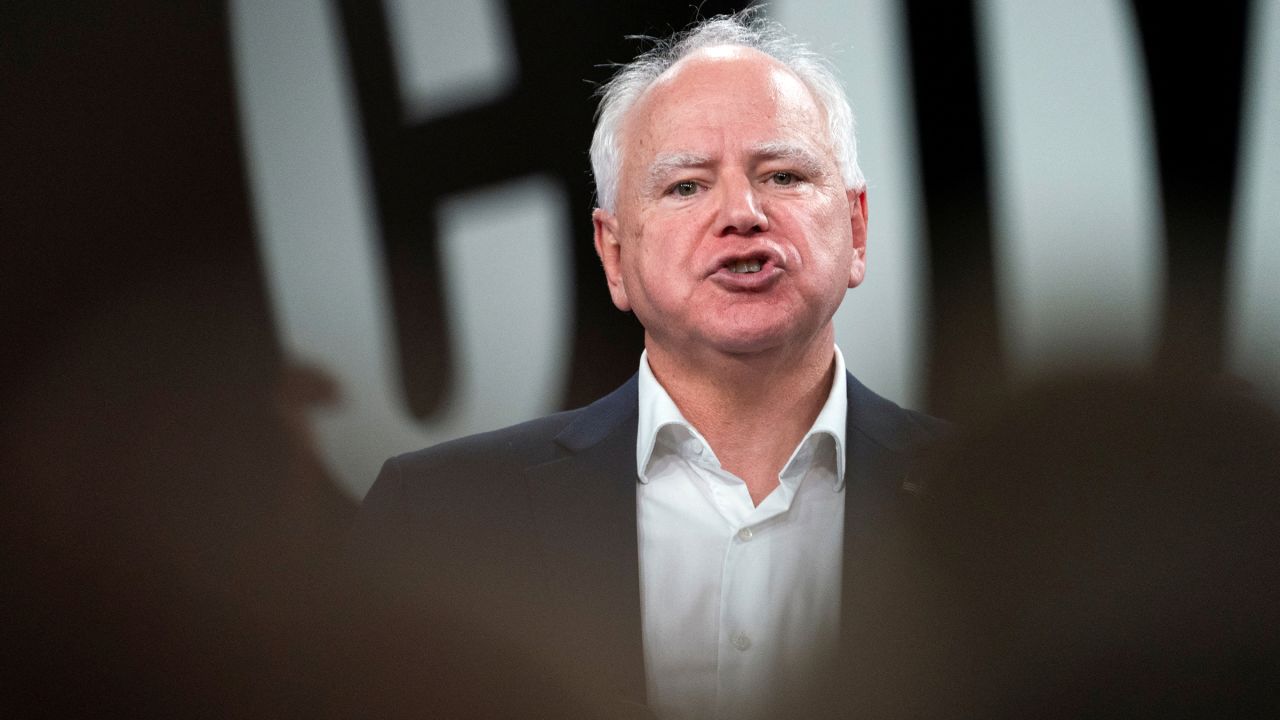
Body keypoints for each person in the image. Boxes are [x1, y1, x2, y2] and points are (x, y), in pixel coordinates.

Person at [350, 11, 947, 719]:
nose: (742, 214)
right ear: (614, 255)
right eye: (686, 186)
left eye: (783, 175)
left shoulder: (1000, 505)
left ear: (856, 229)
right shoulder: (438, 523)